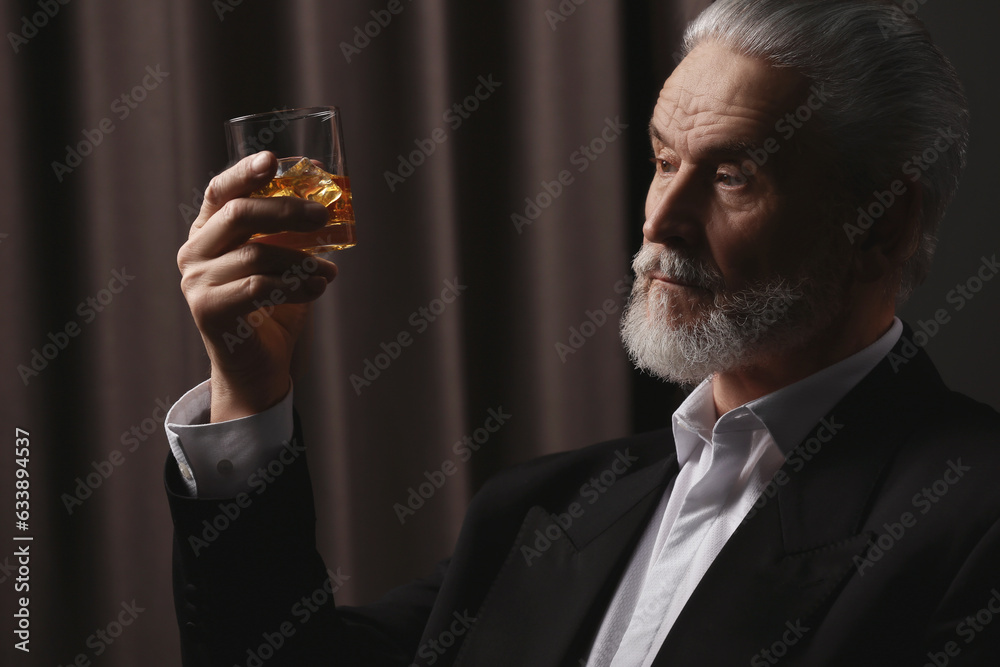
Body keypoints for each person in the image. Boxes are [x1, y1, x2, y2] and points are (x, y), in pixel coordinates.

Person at [165, 1, 1000, 665]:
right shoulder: (538, 508)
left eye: (734, 175)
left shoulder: (970, 521)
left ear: (881, 226)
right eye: (664, 162)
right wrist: (250, 386)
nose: (661, 223)